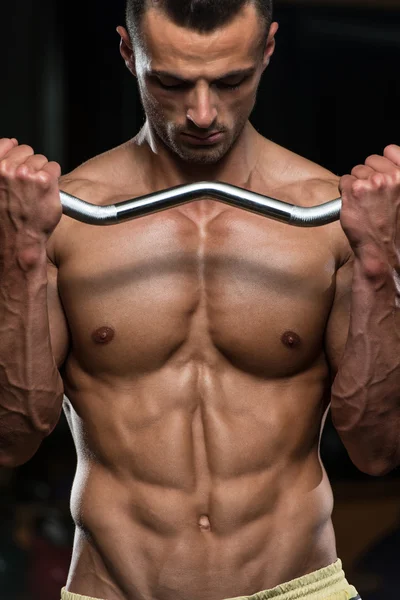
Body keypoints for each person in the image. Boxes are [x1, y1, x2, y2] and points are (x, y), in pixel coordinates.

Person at [0, 0, 399, 599]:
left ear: (266, 51)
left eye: (231, 81)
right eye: (171, 82)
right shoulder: (67, 220)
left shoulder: (329, 218)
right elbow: (12, 439)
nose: (202, 113)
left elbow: (377, 449)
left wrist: (379, 264)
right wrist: (21, 255)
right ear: (128, 54)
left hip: (297, 587)